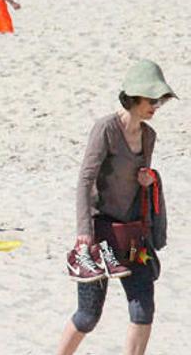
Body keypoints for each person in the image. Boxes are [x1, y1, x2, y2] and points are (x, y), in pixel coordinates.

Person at [56, 60, 175, 355]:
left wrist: (147, 180)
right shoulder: (106, 129)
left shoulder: (149, 136)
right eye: (151, 99)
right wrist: (84, 231)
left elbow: (141, 182)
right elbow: (85, 180)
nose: (155, 106)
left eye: (158, 100)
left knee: (143, 307)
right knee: (88, 315)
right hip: (99, 232)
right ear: (133, 96)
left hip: (133, 234)